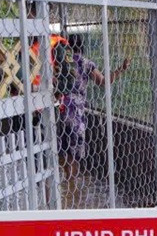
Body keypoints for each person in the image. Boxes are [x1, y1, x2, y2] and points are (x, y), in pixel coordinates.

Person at [55, 34, 129, 186]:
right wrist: (121, 69)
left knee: (62, 149)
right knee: (75, 151)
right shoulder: (85, 63)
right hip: (77, 111)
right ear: (82, 46)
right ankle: (72, 184)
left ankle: (67, 180)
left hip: (60, 108)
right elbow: (103, 82)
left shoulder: (61, 62)